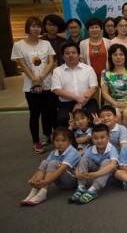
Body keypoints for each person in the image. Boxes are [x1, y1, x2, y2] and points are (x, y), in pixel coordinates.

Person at [11, 16, 56, 153]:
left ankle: (49, 136)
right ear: (28, 28)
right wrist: (35, 80)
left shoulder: (46, 44)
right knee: (35, 114)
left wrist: (41, 77)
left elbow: (51, 62)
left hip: (47, 83)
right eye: (33, 26)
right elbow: (23, 65)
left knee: (48, 113)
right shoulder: (19, 45)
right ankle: (36, 142)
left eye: (38, 26)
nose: (36, 29)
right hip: (30, 85)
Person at [20, 128, 79, 206]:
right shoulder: (54, 152)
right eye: (57, 140)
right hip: (60, 182)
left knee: (53, 163)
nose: (60, 143)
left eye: (64, 140)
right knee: (45, 162)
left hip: (72, 182)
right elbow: (42, 168)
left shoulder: (73, 152)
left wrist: (46, 182)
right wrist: (33, 180)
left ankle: (43, 191)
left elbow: (61, 169)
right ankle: (35, 190)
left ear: (70, 141)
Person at [51, 42, 99, 128]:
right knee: (62, 119)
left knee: (93, 117)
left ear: (78, 55)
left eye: (74, 53)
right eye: (67, 53)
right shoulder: (57, 71)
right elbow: (57, 90)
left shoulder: (88, 69)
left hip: (87, 102)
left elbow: (93, 87)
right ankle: (69, 140)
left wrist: (80, 104)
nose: (71, 55)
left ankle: (91, 140)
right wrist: (77, 98)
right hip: (66, 104)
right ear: (62, 56)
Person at [69, 124, 118, 204]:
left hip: (108, 175)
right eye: (95, 138)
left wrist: (95, 174)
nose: (99, 141)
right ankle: (81, 187)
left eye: (102, 137)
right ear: (92, 139)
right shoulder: (91, 149)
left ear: (109, 138)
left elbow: (113, 164)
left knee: (107, 162)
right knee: (84, 159)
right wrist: (78, 174)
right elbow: (80, 162)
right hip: (95, 172)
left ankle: (93, 190)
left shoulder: (111, 148)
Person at [100, 44, 127, 128]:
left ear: (125, 56)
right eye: (115, 55)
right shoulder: (105, 73)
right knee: (116, 115)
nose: (118, 57)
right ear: (110, 57)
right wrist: (115, 104)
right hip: (112, 103)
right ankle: (118, 138)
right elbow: (104, 93)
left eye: (121, 54)